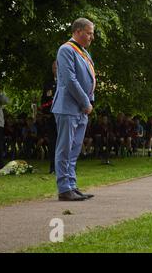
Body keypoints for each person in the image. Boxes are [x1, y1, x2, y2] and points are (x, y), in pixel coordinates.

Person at [51, 18, 96, 201]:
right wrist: (86, 102)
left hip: (81, 109)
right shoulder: (66, 50)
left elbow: (89, 79)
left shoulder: (84, 53)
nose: (91, 37)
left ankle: (72, 185)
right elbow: (70, 80)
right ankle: (63, 188)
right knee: (65, 148)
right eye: (89, 32)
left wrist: (89, 101)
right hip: (68, 106)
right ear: (77, 31)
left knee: (74, 149)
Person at [40, 60, 58, 173]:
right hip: (52, 117)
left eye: (57, 68)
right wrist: (47, 111)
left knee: (65, 142)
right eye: (54, 68)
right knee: (53, 143)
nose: (55, 70)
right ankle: (53, 167)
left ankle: (67, 168)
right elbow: (44, 101)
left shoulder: (67, 81)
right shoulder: (48, 84)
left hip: (65, 117)